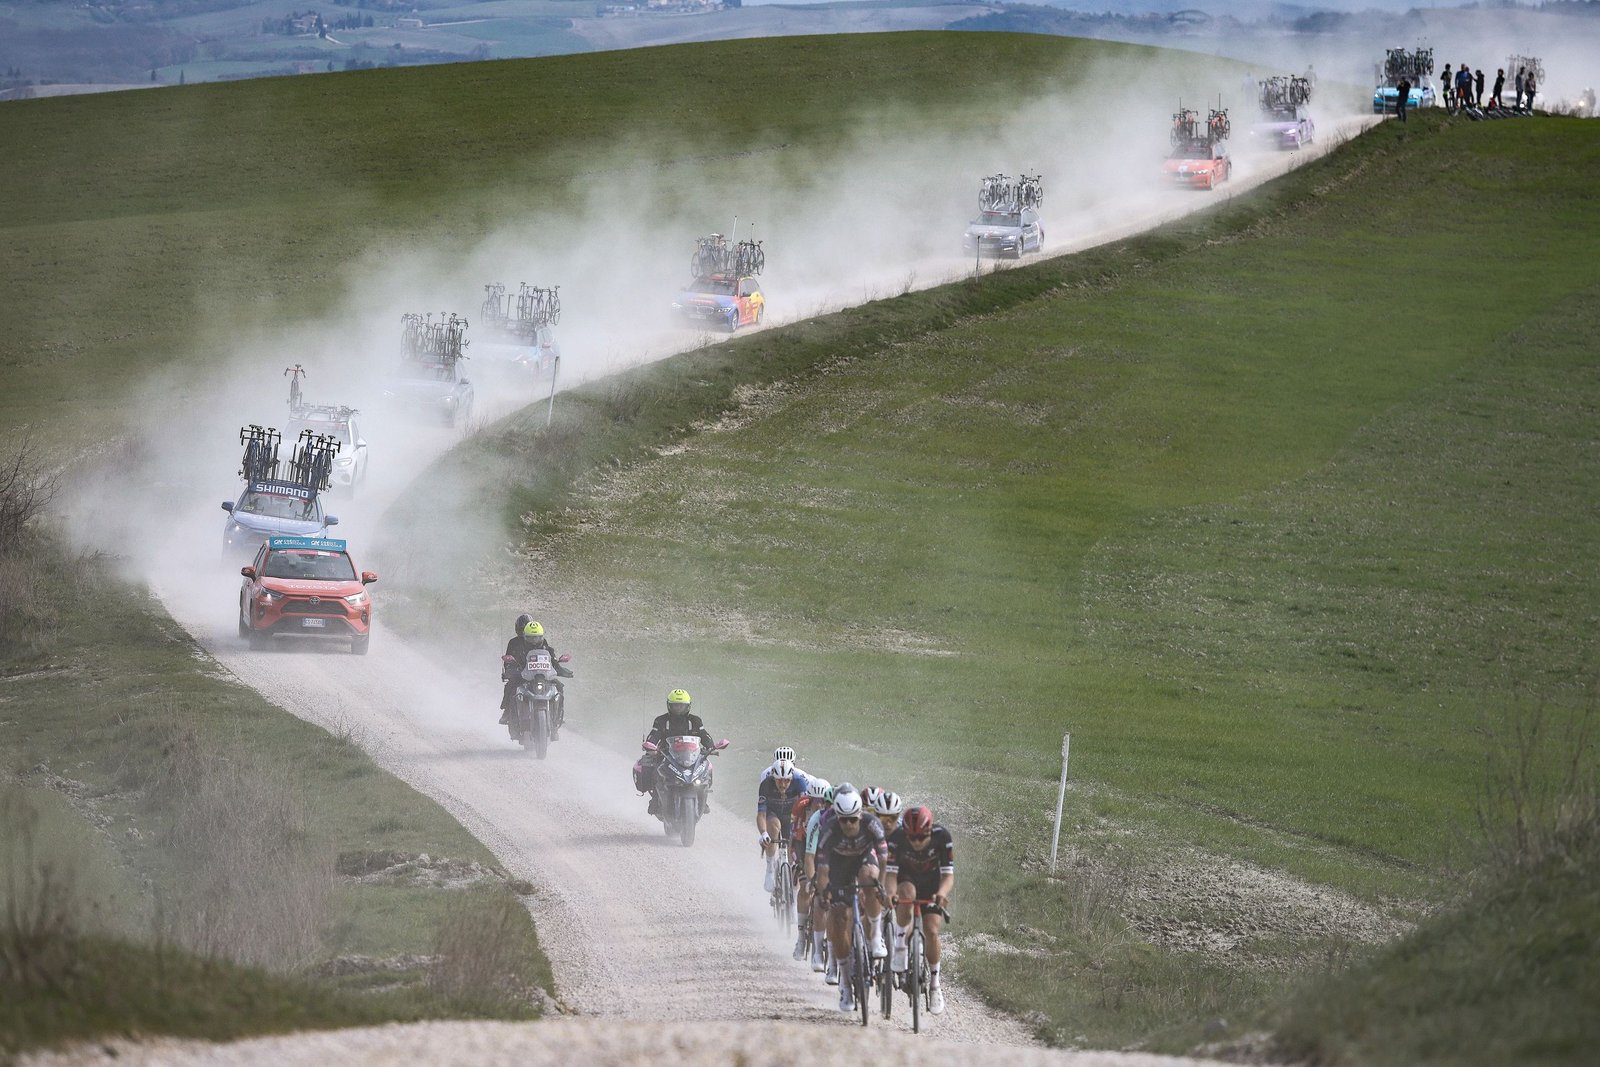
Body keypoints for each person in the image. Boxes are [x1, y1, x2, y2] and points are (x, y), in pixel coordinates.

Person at [813, 789, 889, 1012]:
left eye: (852, 820)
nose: (848, 825)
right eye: (843, 820)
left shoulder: (872, 823)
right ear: (837, 816)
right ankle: (845, 984)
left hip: (863, 860)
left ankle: (875, 936)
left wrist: (881, 884)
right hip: (838, 868)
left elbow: (883, 858)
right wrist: (824, 893)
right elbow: (823, 870)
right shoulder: (829, 830)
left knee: (871, 880)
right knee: (839, 918)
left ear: (860, 815)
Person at [885, 805, 956, 1016]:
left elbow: (948, 876)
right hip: (906, 879)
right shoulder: (896, 838)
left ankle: (935, 984)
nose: (916, 842)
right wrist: (890, 894)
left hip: (933, 884)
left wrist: (942, 894)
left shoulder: (942, 837)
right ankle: (899, 945)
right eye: (912, 838)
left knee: (932, 930)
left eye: (921, 837)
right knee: (906, 892)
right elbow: (890, 875)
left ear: (930, 831)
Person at [636, 689, 715, 814]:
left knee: (706, 766)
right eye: (676, 705)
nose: (679, 709)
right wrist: (650, 745)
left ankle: (702, 797)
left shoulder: (695, 721)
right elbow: (654, 735)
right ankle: (656, 799)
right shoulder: (661, 721)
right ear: (669, 705)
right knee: (656, 769)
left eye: (682, 706)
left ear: (688, 706)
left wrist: (711, 747)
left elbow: (704, 736)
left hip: (691, 755)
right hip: (666, 755)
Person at [499, 617, 572, 726]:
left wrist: (562, 670)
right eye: (531, 638)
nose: (534, 640)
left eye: (536, 638)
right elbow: (509, 660)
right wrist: (510, 670)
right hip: (523, 673)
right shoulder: (514, 642)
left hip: (542, 674)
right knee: (510, 686)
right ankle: (507, 712)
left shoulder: (544, 643)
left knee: (559, 686)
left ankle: (558, 713)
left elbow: (551, 659)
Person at [789, 777, 830, 964]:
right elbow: (794, 840)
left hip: (824, 848)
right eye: (816, 801)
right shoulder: (801, 809)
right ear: (809, 800)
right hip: (804, 844)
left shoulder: (831, 816)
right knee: (806, 888)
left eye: (824, 802)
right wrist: (795, 863)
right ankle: (800, 937)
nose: (819, 805)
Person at [757, 757, 811, 892]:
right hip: (773, 813)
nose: (783, 785)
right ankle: (770, 868)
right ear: (773, 778)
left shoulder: (799, 782)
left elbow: (806, 810)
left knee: (792, 844)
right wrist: (763, 833)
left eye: (786, 780)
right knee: (773, 829)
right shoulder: (766, 785)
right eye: (779, 780)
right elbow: (761, 815)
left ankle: (792, 889)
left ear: (791, 778)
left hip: (791, 815)